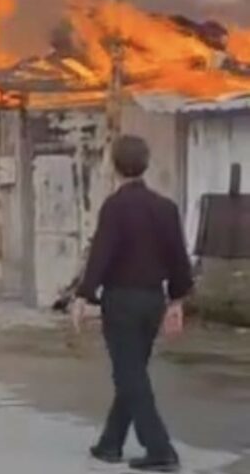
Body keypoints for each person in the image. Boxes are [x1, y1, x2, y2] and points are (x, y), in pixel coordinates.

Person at [72, 135, 193, 473]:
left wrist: (83, 294)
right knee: (133, 372)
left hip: (122, 301)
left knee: (129, 375)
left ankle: (160, 449)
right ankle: (110, 444)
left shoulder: (115, 207)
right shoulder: (165, 208)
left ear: (114, 165)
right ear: (146, 164)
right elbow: (178, 258)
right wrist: (177, 301)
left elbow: (102, 253)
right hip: (153, 300)